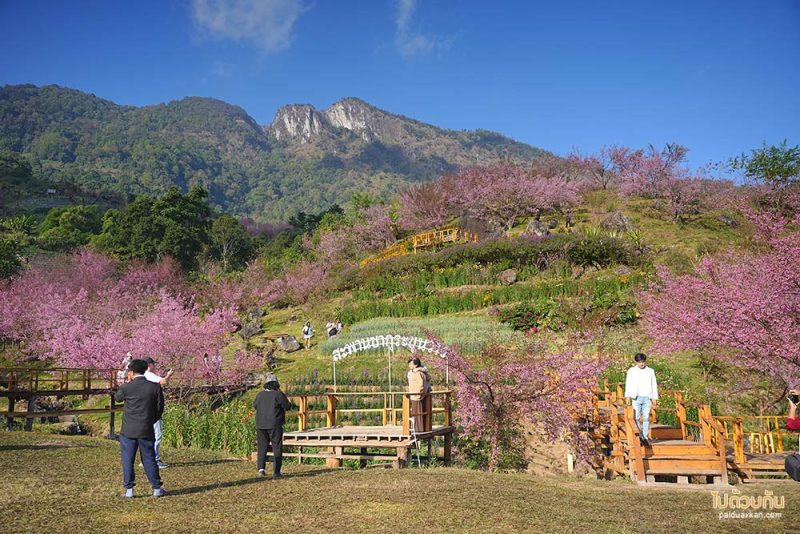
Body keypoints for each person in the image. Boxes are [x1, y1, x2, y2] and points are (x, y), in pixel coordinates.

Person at [114, 358, 166, 498]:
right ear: (145, 370)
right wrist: (151, 420)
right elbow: (159, 408)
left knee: (128, 459)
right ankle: (156, 488)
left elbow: (117, 398)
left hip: (128, 430)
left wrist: (124, 383)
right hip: (146, 428)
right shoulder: (155, 387)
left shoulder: (126, 387)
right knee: (149, 458)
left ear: (131, 372)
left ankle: (129, 490)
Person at [253, 372, 292, 479]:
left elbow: (255, 406)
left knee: (262, 447)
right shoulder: (278, 394)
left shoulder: (260, 395)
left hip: (260, 424)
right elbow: (287, 406)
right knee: (277, 447)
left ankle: (261, 469)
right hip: (275, 424)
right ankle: (276, 472)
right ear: (276, 384)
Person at [143, 357, 173, 469]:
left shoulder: (141, 376)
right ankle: (154, 459)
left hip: (145, 410)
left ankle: (145, 459)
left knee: (147, 436)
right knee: (157, 435)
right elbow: (163, 382)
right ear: (149, 365)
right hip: (153, 411)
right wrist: (169, 374)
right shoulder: (149, 375)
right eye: (153, 364)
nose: (155, 366)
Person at [624, 352, 659, 446]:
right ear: (636, 362)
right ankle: (640, 436)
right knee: (636, 417)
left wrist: (655, 397)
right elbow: (628, 383)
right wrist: (627, 395)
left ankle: (645, 437)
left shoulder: (650, 371)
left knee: (646, 417)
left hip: (647, 397)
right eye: (639, 362)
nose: (641, 364)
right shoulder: (632, 371)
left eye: (643, 362)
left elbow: (654, 384)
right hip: (636, 397)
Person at [407, 358, 431, 432]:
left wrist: (419, 393)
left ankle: (418, 429)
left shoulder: (419, 373)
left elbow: (421, 384)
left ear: (416, 365)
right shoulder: (414, 372)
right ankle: (419, 428)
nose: (409, 366)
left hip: (417, 395)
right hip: (417, 394)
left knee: (417, 411)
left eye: (411, 364)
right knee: (418, 411)